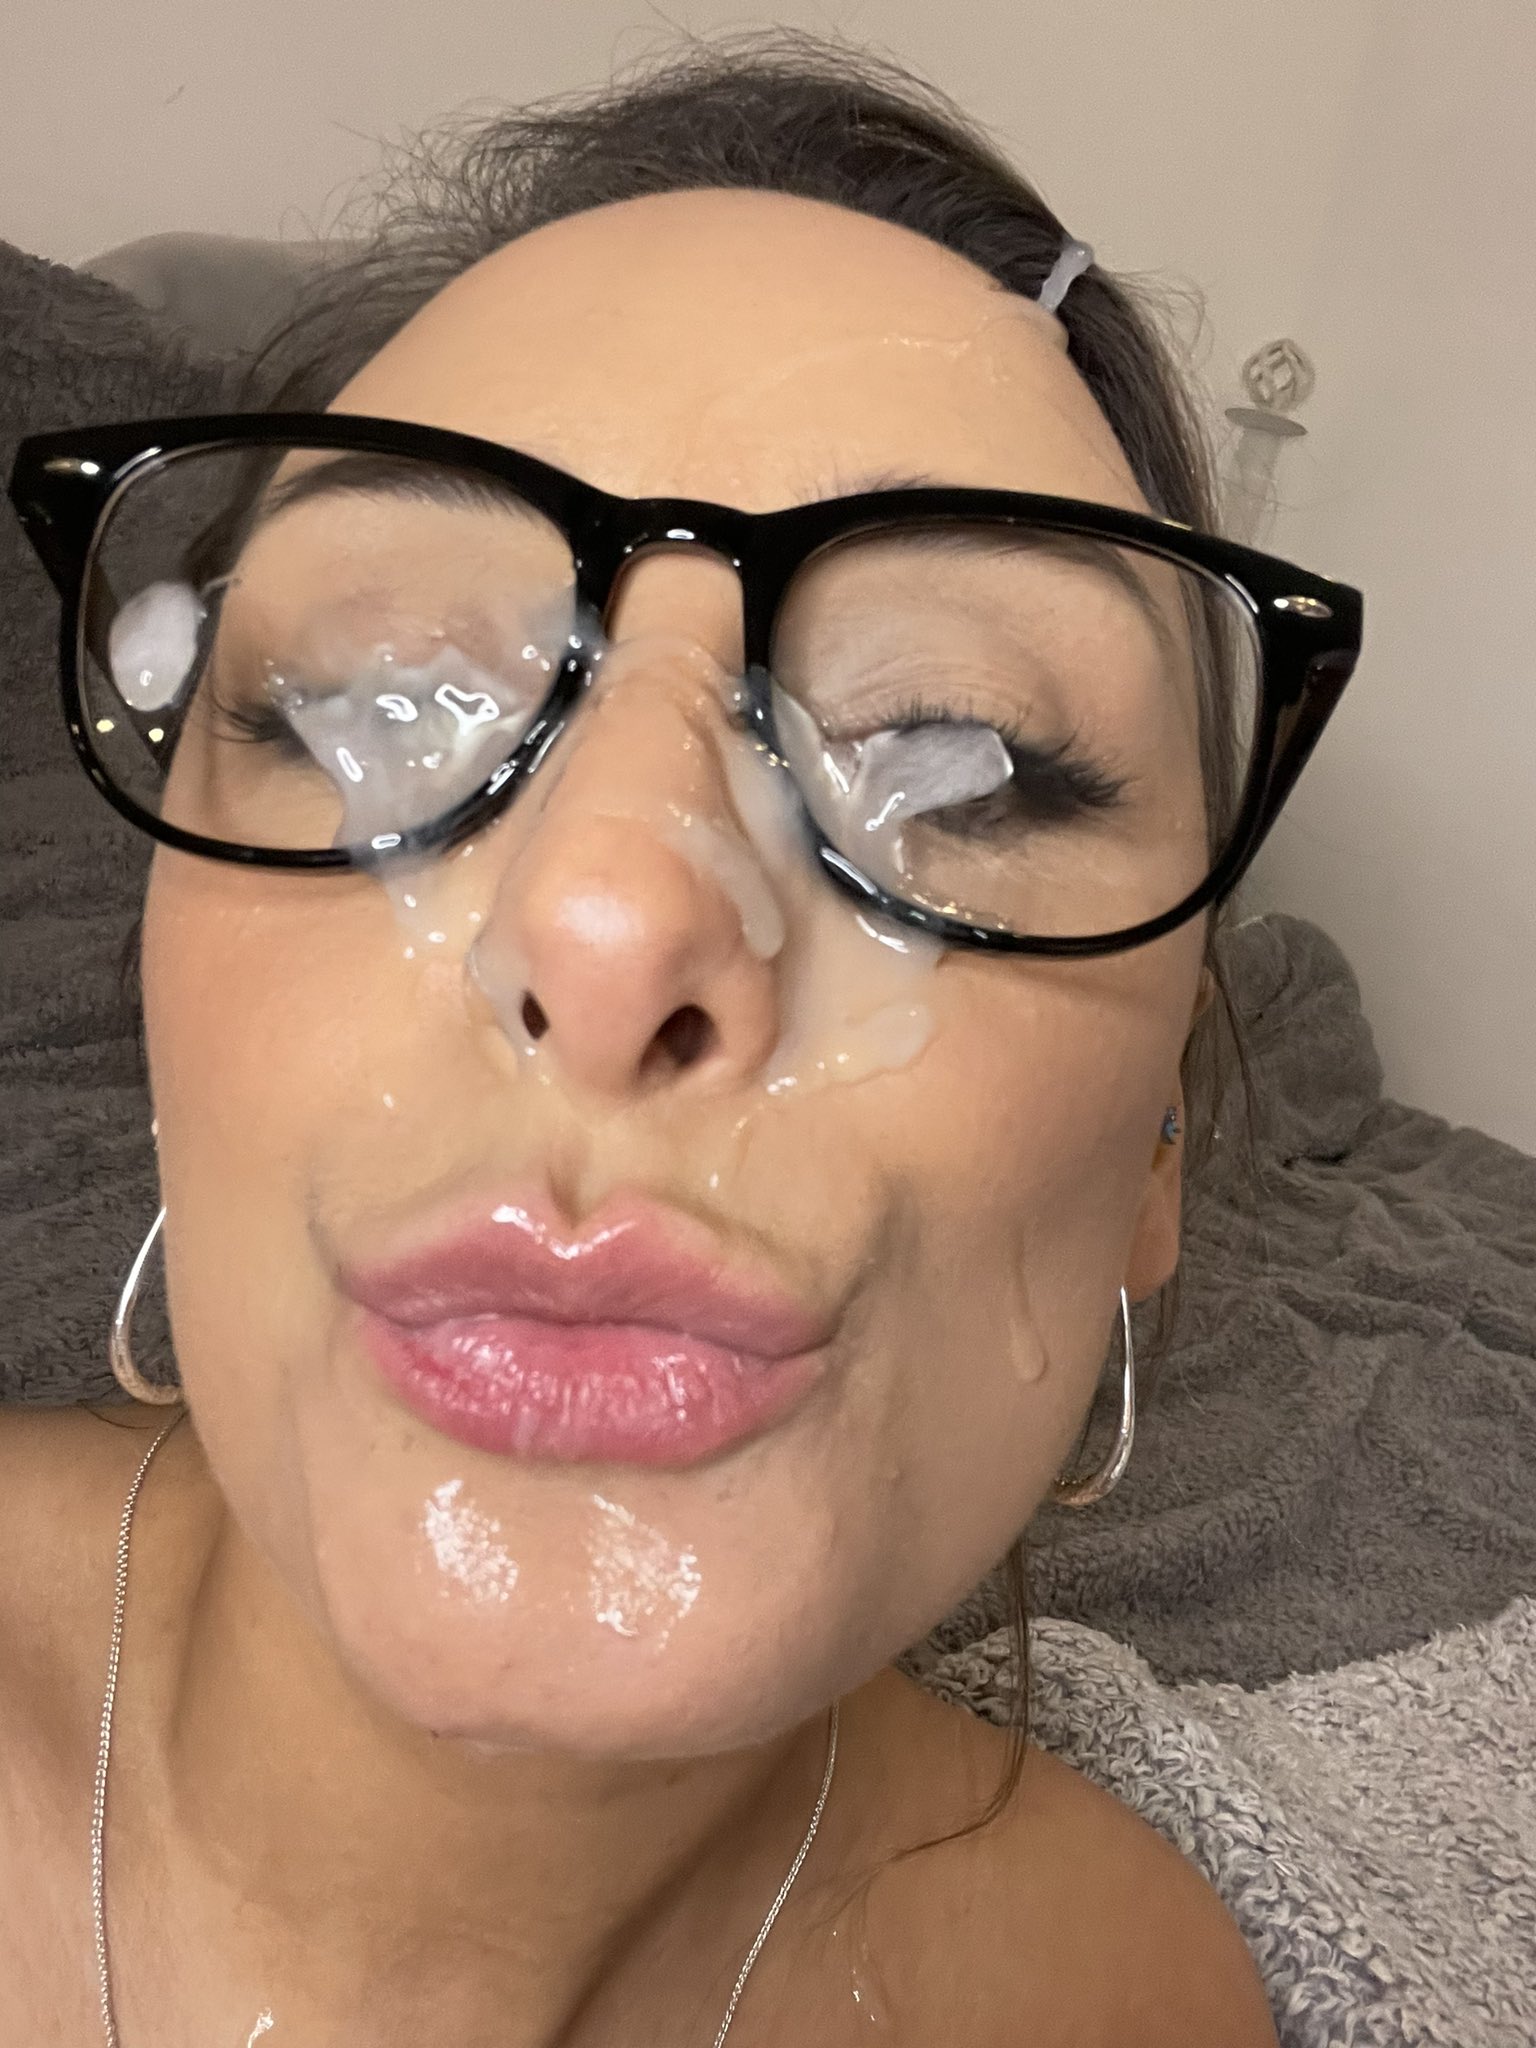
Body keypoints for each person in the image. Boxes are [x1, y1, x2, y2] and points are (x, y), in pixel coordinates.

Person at [0, 34, 1361, 2046]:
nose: (615, 916)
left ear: (1160, 1133)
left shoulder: (1127, 2001)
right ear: (163, 974)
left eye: (955, 758)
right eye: (377, 699)